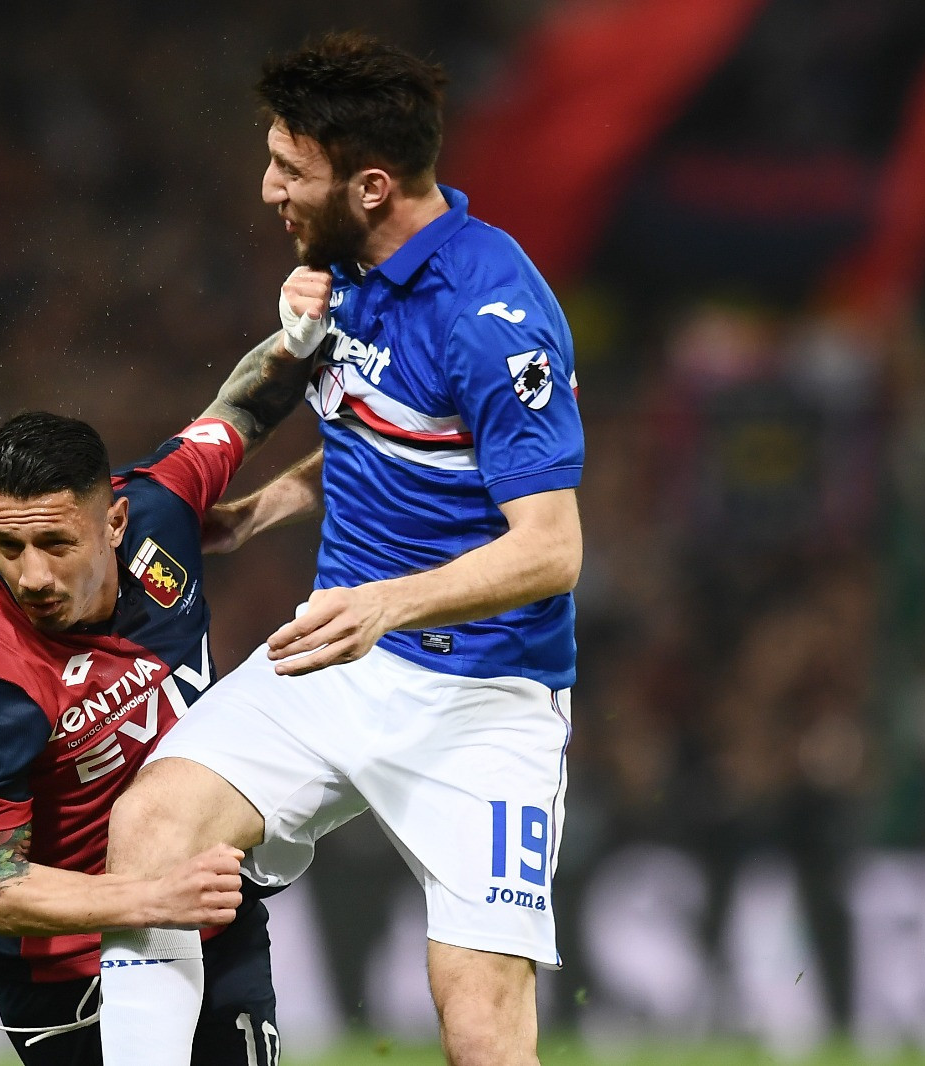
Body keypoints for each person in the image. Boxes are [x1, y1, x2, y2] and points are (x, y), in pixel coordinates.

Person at [99, 32, 584, 1066]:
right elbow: (395, 429)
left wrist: (385, 602)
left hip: (484, 697)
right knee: (152, 828)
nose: (268, 186)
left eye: (290, 168)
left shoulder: (492, 318)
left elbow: (550, 549)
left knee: (482, 1027)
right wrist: (264, 507)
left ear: (370, 186)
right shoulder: (345, 269)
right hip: (336, 658)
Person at [0, 304, 327, 1066]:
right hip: (67, 970)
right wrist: (153, 898)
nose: (32, 575)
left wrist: (312, 327)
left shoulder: (163, 508)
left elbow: (243, 407)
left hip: (204, 900)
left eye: (55, 542)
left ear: (114, 522)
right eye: (7, 546)